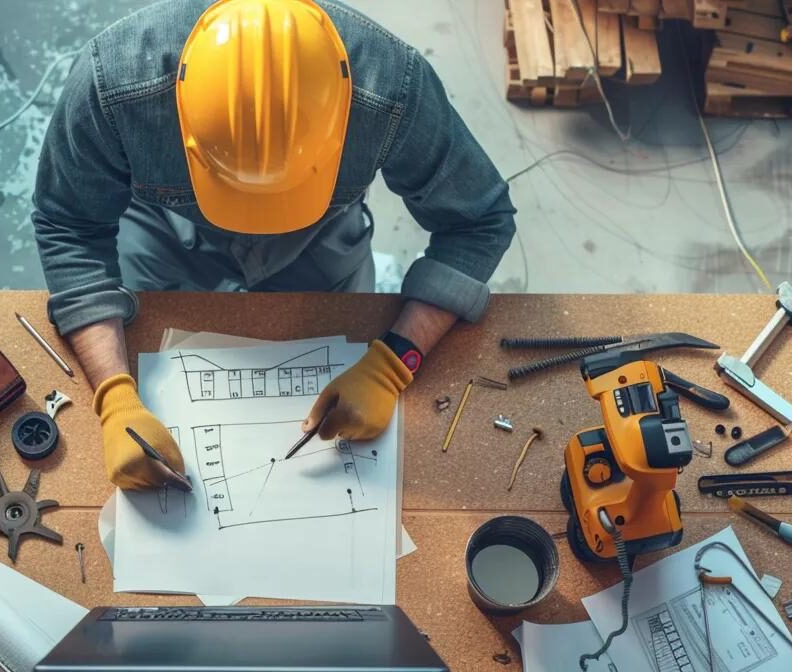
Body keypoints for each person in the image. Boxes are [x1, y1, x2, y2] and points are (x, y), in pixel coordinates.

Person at [31, 0, 516, 491]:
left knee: (337, 347)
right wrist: (115, 398)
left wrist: (393, 364)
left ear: (340, 114)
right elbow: (70, 225)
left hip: (318, 248)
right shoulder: (114, 86)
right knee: (149, 350)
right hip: (164, 238)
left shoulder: (389, 90)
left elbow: (478, 222)